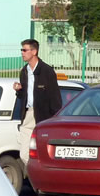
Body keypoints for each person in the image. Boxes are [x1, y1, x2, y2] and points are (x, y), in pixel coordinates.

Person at [14, 38, 63, 166]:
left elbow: (55, 98)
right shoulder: (24, 71)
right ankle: (35, 182)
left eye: (25, 50)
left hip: (43, 117)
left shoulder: (47, 71)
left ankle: (42, 182)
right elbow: (24, 95)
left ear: (34, 51)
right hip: (28, 115)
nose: (22, 53)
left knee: (42, 155)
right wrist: (19, 90)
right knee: (24, 155)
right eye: (21, 50)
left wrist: (53, 119)